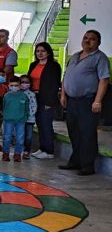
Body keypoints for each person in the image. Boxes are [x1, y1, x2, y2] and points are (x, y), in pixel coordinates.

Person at [60, 30, 110, 176]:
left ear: (98, 42)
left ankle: (87, 165)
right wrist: (63, 94)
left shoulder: (100, 58)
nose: (87, 41)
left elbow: (104, 80)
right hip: (72, 101)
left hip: (88, 101)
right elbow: (66, 76)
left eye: (92, 39)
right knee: (73, 131)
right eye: (85, 38)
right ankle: (75, 161)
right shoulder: (75, 56)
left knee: (87, 133)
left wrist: (97, 101)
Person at [28, 42, 62, 160]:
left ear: (48, 52)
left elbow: (54, 85)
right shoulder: (33, 65)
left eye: (43, 51)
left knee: (46, 124)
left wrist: (49, 102)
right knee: (39, 124)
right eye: (38, 51)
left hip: (46, 98)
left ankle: (49, 151)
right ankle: (42, 148)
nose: (40, 53)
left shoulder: (54, 66)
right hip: (34, 97)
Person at [2, 76, 29, 162]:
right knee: (6, 137)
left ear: (20, 86)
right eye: (12, 85)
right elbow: (3, 107)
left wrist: (25, 117)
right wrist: (5, 116)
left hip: (20, 121)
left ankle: (17, 154)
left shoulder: (24, 96)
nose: (14, 87)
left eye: (16, 85)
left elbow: (27, 109)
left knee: (20, 138)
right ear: (9, 85)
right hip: (8, 120)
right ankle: (5, 154)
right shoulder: (6, 96)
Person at [19, 75, 38, 159]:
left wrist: (28, 115)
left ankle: (27, 151)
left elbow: (34, 106)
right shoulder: (17, 94)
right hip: (19, 119)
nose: (24, 84)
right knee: (20, 135)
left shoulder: (32, 94)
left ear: (30, 84)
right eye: (22, 82)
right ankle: (19, 151)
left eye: (27, 82)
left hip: (29, 119)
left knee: (29, 136)